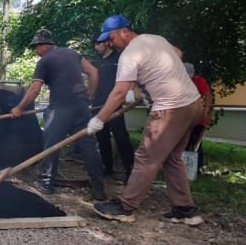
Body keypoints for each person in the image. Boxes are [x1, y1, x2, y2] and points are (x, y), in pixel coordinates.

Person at [87, 15, 204, 225]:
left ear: (124, 31)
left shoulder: (129, 54)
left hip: (169, 108)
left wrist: (99, 119)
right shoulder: (155, 39)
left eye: (111, 38)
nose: (110, 44)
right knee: (172, 158)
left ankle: (125, 206)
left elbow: (119, 92)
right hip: (192, 104)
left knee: (145, 158)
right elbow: (178, 54)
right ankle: (186, 209)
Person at [11, 29, 105, 201]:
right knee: (88, 146)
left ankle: (47, 184)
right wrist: (90, 96)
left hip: (60, 108)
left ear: (42, 45)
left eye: (35, 48)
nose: (35, 52)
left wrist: (19, 108)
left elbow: (35, 89)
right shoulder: (73, 53)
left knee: (50, 143)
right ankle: (99, 189)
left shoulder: (45, 61)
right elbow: (94, 73)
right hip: (81, 107)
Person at [91, 37, 135, 184]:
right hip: (98, 104)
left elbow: (132, 73)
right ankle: (108, 167)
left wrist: (130, 91)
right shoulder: (96, 62)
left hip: (114, 104)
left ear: (106, 42)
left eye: (98, 44)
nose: (96, 47)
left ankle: (130, 169)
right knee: (102, 138)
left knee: (121, 136)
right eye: (94, 45)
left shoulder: (119, 58)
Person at [183, 63, 214, 172]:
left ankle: (196, 168)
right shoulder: (176, 81)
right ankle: (181, 169)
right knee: (182, 143)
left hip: (196, 119)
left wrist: (205, 114)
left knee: (196, 143)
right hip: (181, 119)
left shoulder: (198, 81)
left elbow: (208, 96)